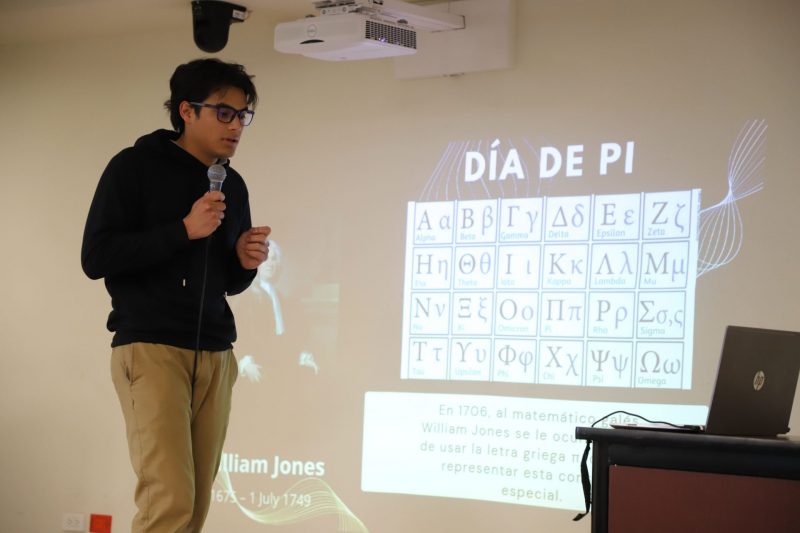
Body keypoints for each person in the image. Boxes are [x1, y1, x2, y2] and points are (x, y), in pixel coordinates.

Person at [81, 58, 270, 533]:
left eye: (242, 115)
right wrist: (182, 230)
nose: (236, 126)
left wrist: (244, 262)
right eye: (224, 113)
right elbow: (96, 257)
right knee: (169, 502)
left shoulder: (232, 184)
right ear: (186, 111)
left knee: (195, 506)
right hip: (152, 347)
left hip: (215, 353)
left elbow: (228, 281)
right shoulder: (133, 167)